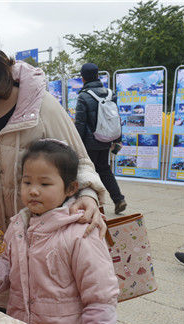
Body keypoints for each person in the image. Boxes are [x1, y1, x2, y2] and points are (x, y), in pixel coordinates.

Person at [0, 35, 106, 311]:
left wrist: (87, 194)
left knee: (43, 309)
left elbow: (80, 162)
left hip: (43, 237)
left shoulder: (39, 107)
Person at [0, 140, 118, 324]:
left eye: (44, 184)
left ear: (70, 188)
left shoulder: (81, 233)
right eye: (27, 182)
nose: (33, 191)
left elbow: (100, 293)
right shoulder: (18, 226)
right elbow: (9, 264)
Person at [75, 63, 127, 215]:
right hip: (106, 140)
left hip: (89, 143)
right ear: (98, 75)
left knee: (86, 173)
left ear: (83, 78)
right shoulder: (110, 93)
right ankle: (118, 199)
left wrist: (77, 144)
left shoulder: (84, 96)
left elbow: (80, 123)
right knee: (104, 169)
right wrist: (117, 139)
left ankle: (91, 206)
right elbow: (116, 119)